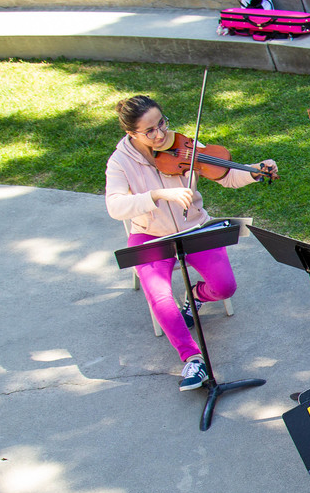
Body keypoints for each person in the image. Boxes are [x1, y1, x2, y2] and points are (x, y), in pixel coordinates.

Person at [105, 94, 276, 392]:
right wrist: (157, 196)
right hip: (149, 234)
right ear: (131, 133)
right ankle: (192, 358)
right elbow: (115, 206)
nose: (160, 135)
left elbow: (225, 175)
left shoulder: (184, 144)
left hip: (194, 226)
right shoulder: (120, 162)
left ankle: (196, 296)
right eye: (149, 131)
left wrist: (253, 171)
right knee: (159, 296)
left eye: (162, 124)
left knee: (225, 287)